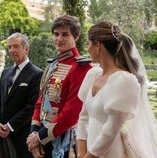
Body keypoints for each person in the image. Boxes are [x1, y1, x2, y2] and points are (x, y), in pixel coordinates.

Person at [76, 21, 157, 158]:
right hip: (88, 150)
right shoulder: (93, 75)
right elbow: (83, 117)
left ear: (98, 45)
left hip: (109, 152)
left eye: (88, 43)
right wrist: (81, 152)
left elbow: (110, 131)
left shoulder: (124, 81)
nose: (87, 48)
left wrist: (90, 156)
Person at [26, 15, 92, 158]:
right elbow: (40, 103)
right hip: (42, 136)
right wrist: (33, 132)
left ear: (76, 36)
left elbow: (71, 113)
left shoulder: (81, 67)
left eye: (65, 34)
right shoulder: (53, 65)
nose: (59, 39)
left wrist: (39, 137)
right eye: (56, 34)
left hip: (64, 140)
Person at [0, 32, 43, 158]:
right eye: (10, 47)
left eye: (16, 46)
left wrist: (10, 126)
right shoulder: (6, 72)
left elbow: (31, 106)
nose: (12, 50)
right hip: (1, 136)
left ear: (26, 48)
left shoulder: (37, 73)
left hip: (21, 136)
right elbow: (0, 100)